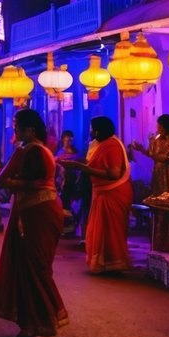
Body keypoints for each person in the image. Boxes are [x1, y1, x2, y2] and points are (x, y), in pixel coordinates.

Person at [0, 108, 68, 337]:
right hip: (43, 209)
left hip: (36, 214)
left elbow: (3, 179)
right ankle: (35, 323)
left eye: (17, 127)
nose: (14, 131)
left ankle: (40, 323)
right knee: (33, 267)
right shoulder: (42, 150)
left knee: (32, 267)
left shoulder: (29, 151)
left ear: (29, 130)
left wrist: (14, 182)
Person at [58, 116, 131, 273]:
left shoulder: (112, 146)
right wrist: (76, 163)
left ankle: (114, 263)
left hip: (113, 193)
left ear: (98, 131)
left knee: (111, 230)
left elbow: (113, 173)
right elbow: (92, 163)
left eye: (91, 128)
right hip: (101, 192)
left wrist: (81, 167)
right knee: (100, 228)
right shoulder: (100, 144)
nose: (90, 131)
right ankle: (103, 262)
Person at [130, 114, 169, 198]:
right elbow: (153, 155)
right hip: (159, 178)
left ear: (167, 127)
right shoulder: (158, 140)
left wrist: (168, 159)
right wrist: (141, 149)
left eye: (160, 126)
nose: (158, 128)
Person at [55, 130, 81, 215]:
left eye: (70, 140)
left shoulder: (75, 151)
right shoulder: (60, 152)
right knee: (64, 200)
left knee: (74, 200)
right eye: (67, 140)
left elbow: (80, 163)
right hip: (64, 181)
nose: (69, 142)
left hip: (74, 180)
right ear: (63, 140)